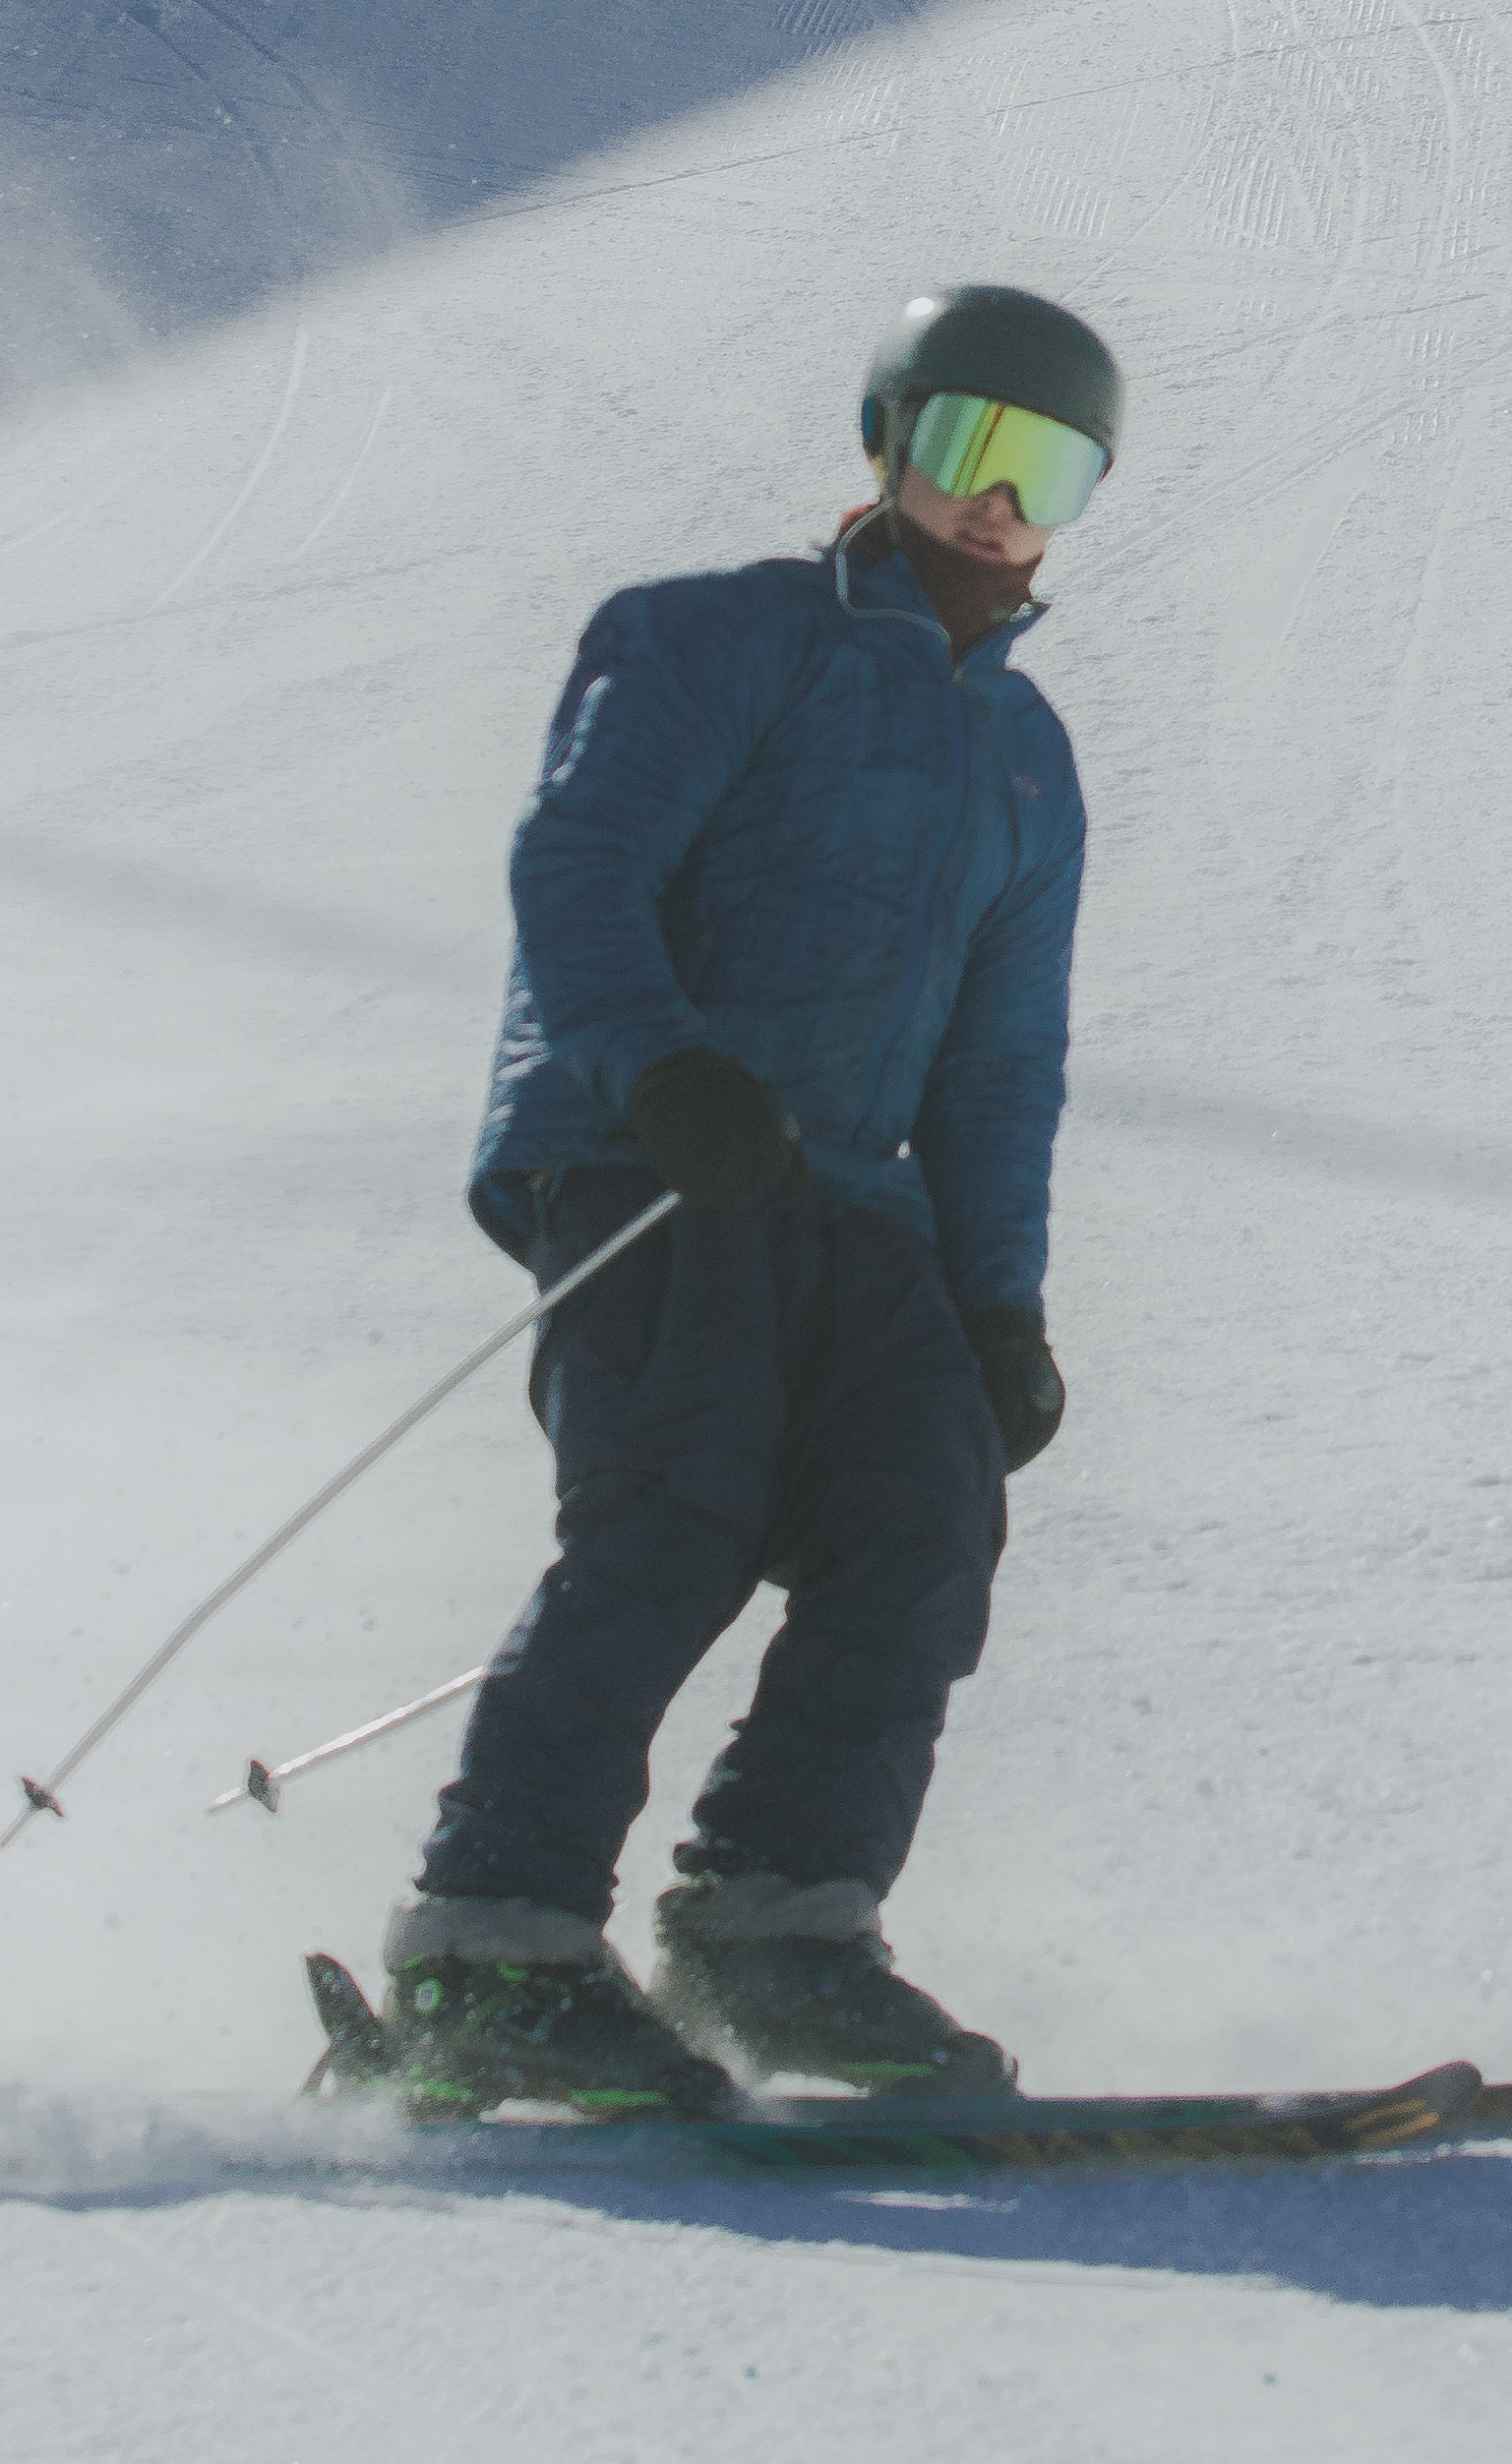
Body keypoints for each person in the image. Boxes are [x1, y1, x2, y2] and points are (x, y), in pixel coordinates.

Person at [381, 285, 1122, 2122]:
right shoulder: (718, 637)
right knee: (674, 1511)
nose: (999, 507)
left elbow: (1000, 1059)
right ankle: (493, 1941)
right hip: (655, 1157)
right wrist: (659, 1069)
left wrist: (1001, 1304)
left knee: (924, 1527)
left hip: (862, 1204)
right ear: (889, 441)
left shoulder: (1028, 762)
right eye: (968, 448)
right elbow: (583, 858)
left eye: (1055, 472)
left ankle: (776, 1926)